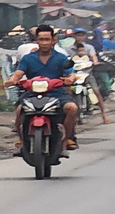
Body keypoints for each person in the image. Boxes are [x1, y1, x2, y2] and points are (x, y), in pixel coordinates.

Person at [4, 25, 79, 154]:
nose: (44, 43)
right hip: (32, 94)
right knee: (19, 111)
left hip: (57, 94)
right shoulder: (28, 58)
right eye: (41, 39)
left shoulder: (61, 57)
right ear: (36, 40)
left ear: (53, 41)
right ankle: (22, 141)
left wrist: (70, 79)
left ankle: (65, 140)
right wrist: (13, 79)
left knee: (72, 108)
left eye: (47, 39)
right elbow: (19, 73)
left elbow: (70, 73)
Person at [68, 37, 111, 124]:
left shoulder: (89, 48)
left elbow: (93, 57)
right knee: (67, 92)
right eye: (78, 35)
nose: (81, 52)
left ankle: (104, 116)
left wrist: (95, 62)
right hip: (75, 75)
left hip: (87, 74)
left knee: (97, 92)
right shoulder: (69, 50)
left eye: (81, 35)